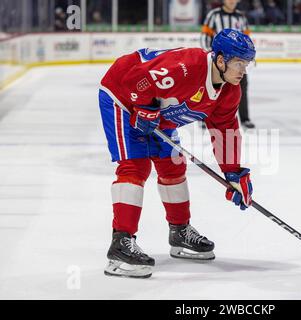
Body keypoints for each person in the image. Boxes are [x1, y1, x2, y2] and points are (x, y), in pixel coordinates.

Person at [98, 29, 256, 278]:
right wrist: (143, 106)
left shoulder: (229, 91)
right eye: (239, 63)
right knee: (135, 167)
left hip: (161, 108)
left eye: (247, 64)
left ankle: (180, 232)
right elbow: (136, 78)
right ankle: (121, 243)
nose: (243, 71)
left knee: (173, 166)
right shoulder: (187, 66)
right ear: (221, 60)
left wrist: (233, 172)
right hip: (122, 97)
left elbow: (225, 131)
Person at [200, 0, 256, 129]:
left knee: (241, 89)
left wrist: (247, 58)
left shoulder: (241, 17)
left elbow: (247, 39)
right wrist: (212, 56)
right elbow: (205, 36)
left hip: (238, 62)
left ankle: (245, 119)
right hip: (219, 62)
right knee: (210, 89)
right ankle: (204, 117)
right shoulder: (213, 15)